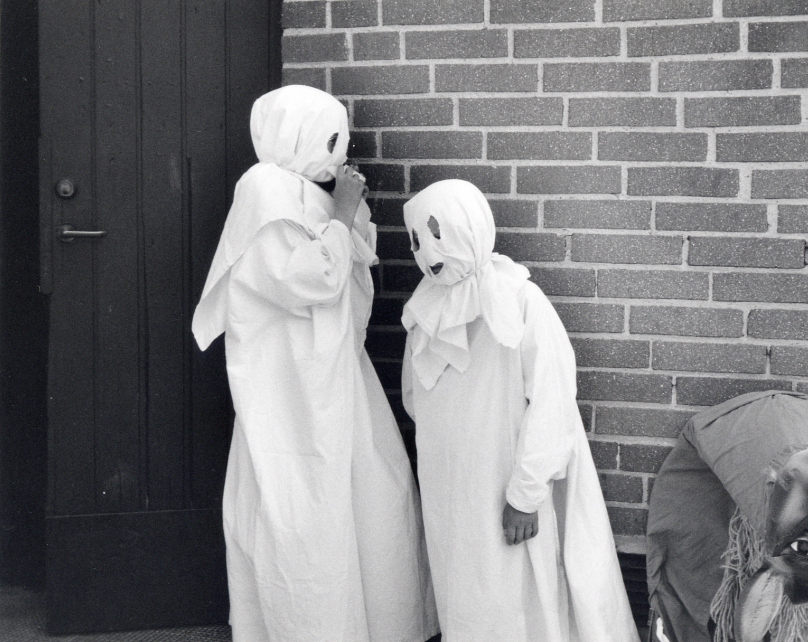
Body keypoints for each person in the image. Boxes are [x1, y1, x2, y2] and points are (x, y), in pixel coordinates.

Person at [191, 84, 437, 642]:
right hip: (290, 387)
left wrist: (348, 212)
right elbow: (311, 278)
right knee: (304, 505)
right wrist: (344, 212)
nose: (336, 153)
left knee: (373, 490)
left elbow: (352, 267)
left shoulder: (305, 191)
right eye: (328, 140)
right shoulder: (263, 192)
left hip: (334, 373)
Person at [400, 179, 640, 642]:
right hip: (452, 489)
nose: (425, 249)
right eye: (415, 238)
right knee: (466, 590)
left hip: (508, 484)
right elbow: (418, 398)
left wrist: (525, 494)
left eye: (437, 232)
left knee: (514, 594)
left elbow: (553, 400)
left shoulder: (520, 300)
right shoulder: (425, 311)